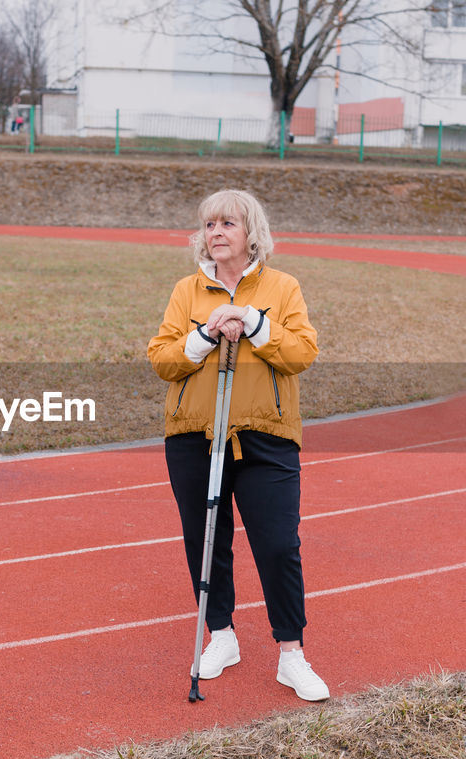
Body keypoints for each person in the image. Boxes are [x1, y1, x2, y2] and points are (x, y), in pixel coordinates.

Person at [147, 189, 329, 702]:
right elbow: (161, 359)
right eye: (209, 224)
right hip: (193, 435)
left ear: (252, 232)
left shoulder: (283, 287)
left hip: (265, 434)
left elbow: (301, 353)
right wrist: (204, 335)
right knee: (206, 539)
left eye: (228, 223)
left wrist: (254, 323)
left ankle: (291, 654)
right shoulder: (188, 290)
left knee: (277, 544)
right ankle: (221, 635)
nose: (216, 232)